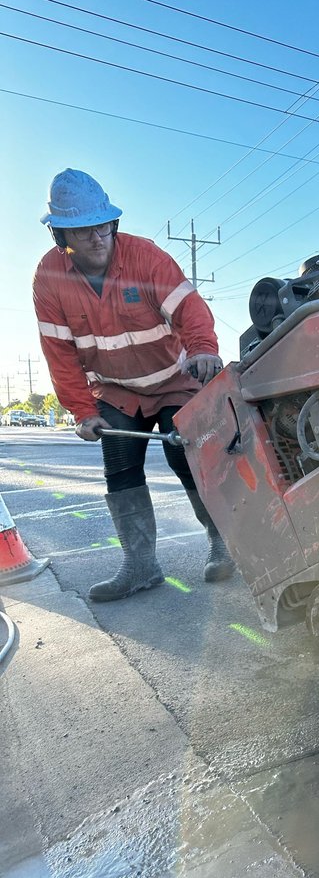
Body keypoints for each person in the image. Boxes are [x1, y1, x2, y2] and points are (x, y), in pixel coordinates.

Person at [33, 168, 235, 601]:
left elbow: (190, 309)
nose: (97, 237)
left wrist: (202, 347)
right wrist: (82, 411)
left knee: (186, 458)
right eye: (84, 230)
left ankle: (222, 542)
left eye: (103, 225)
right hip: (116, 390)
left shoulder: (146, 257)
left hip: (174, 379)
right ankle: (141, 565)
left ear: (113, 223)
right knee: (121, 468)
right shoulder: (49, 278)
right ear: (62, 236)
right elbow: (59, 353)